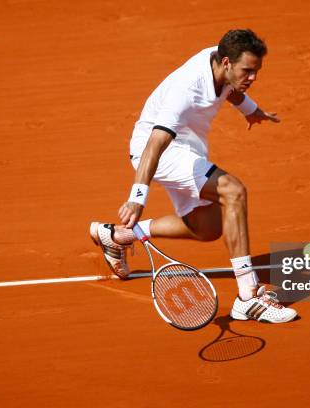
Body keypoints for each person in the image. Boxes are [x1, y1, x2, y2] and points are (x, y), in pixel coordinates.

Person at [90, 29, 297, 323]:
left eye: (256, 71)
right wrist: (137, 198)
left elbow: (233, 88)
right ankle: (248, 297)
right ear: (226, 61)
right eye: (248, 71)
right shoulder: (187, 89)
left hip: (188, 146)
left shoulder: (224, 61)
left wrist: (251, 110)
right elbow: (155, 143)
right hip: (159, 151)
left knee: (207, 228)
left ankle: (119, 236)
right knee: (233, 191)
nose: (253, 78)